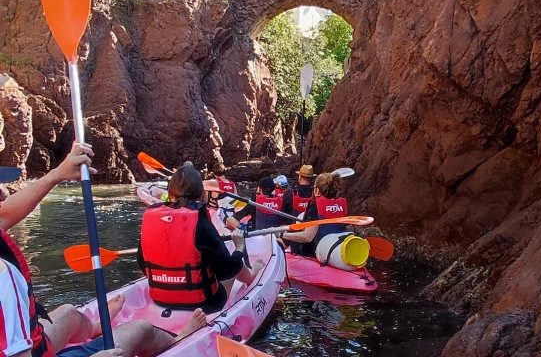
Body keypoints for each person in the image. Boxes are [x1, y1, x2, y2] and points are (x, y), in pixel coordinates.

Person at [0, 142, 208, 357]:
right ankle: (178, 339)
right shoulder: (4, 276)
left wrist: (57, 175)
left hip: (34, 342)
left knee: (69, 313)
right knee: (140, 329)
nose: (3, 193)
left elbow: (4, 215)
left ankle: (93, 328)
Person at [137, 165, 264, 315]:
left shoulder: (151, 219)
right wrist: (239, 248)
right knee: (234, 261)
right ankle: (251, 275)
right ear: (201, 195)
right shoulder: (202, 224)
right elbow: (227, 270)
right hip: (203, 303)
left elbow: (142, 262)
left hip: (160, 299)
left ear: (170, 194)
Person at [282, 172, 352, 257]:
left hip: (316, 251)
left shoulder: (315, 206)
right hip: (335, 247)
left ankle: (279, 245)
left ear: (317, 190)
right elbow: (349, 228)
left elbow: (308, 237)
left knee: (291, 234)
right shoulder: (342, 204)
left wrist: (283, 234)